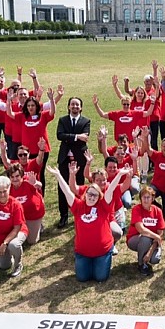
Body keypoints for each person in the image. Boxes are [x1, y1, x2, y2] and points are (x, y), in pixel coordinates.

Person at [49, 165, 127, 282]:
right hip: (83, 252)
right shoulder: (78, 206)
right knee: (82, 278)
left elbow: (110, 189)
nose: (92, 197)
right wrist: (58, 175)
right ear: (85, 195)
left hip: (102, 251)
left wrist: (120, 175)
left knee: (100, 277)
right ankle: (90, 263)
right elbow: (67, 191)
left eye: (95, 195)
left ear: (99, 196)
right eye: (89, 194)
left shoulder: (104, 206)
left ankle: (106, 256)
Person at [55, 96, 90, 229]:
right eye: (72, 105)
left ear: (80, 107)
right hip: (65, 159)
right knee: (62, 186)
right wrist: (76, 136)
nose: (75, 107)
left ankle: (78, 213)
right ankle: (63, 215)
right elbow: (59, 135)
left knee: (79, 187)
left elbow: (84, 138)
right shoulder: (63, 120)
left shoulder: (86, 121)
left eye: (77, 105)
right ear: (69, 106)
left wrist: (68, 137)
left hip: (79, 159)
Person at [126, 186, 165, 276]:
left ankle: (146, 258)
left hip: (153, 242)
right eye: (144, 197)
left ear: (153, 198)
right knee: (145, 238)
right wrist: (156, 236)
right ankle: (141, 264)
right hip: (135, 239)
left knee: (155, 259)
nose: (146, 200)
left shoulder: (158, 211)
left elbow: (160, 233)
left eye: (148, 197)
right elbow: (141, 229)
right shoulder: (136, 209)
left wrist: (150, 252)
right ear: (140, 198)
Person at [7, 164, 45, 244]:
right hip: (19, 216)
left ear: (21, 176)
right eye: (12, 177)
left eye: (17, 176)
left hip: (33, 215)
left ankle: (39, 225)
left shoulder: (27, 182)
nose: (15, 179)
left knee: (32, 241)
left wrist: (35, 183)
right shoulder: (8, 188)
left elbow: (38, 185)